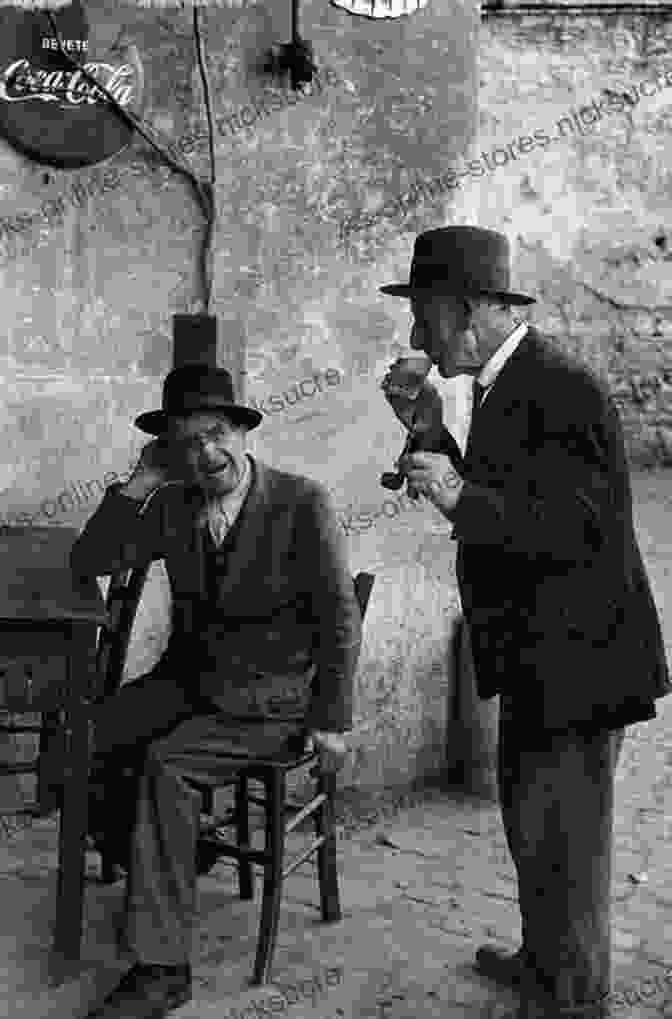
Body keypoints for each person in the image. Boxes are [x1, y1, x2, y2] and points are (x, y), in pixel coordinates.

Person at [379, 226, 671, 1019]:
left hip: (581, 662)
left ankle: (571, 998)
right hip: (538, 655)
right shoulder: (505, 383)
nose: (415, 337)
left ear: (467, 310)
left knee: (567, 847)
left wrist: (458, 498)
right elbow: (504, 496)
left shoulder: (562, 385)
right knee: (531, 825)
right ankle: (544, 959)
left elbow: (573, 529)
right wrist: (432, 433)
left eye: (423, 316)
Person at [70, 357, 362, 1019]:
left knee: (164, 767)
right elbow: (89, 562)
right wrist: (139, 482)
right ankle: (171, 858)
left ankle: (163, 967)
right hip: (189, 684)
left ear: (242, 431)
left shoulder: (301, 502)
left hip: (271, 699)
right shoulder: (171, 504)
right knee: (89, 736)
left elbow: (340, 618)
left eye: (216, 434)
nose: (206, 453)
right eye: (188, 442)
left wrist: (332, 717)